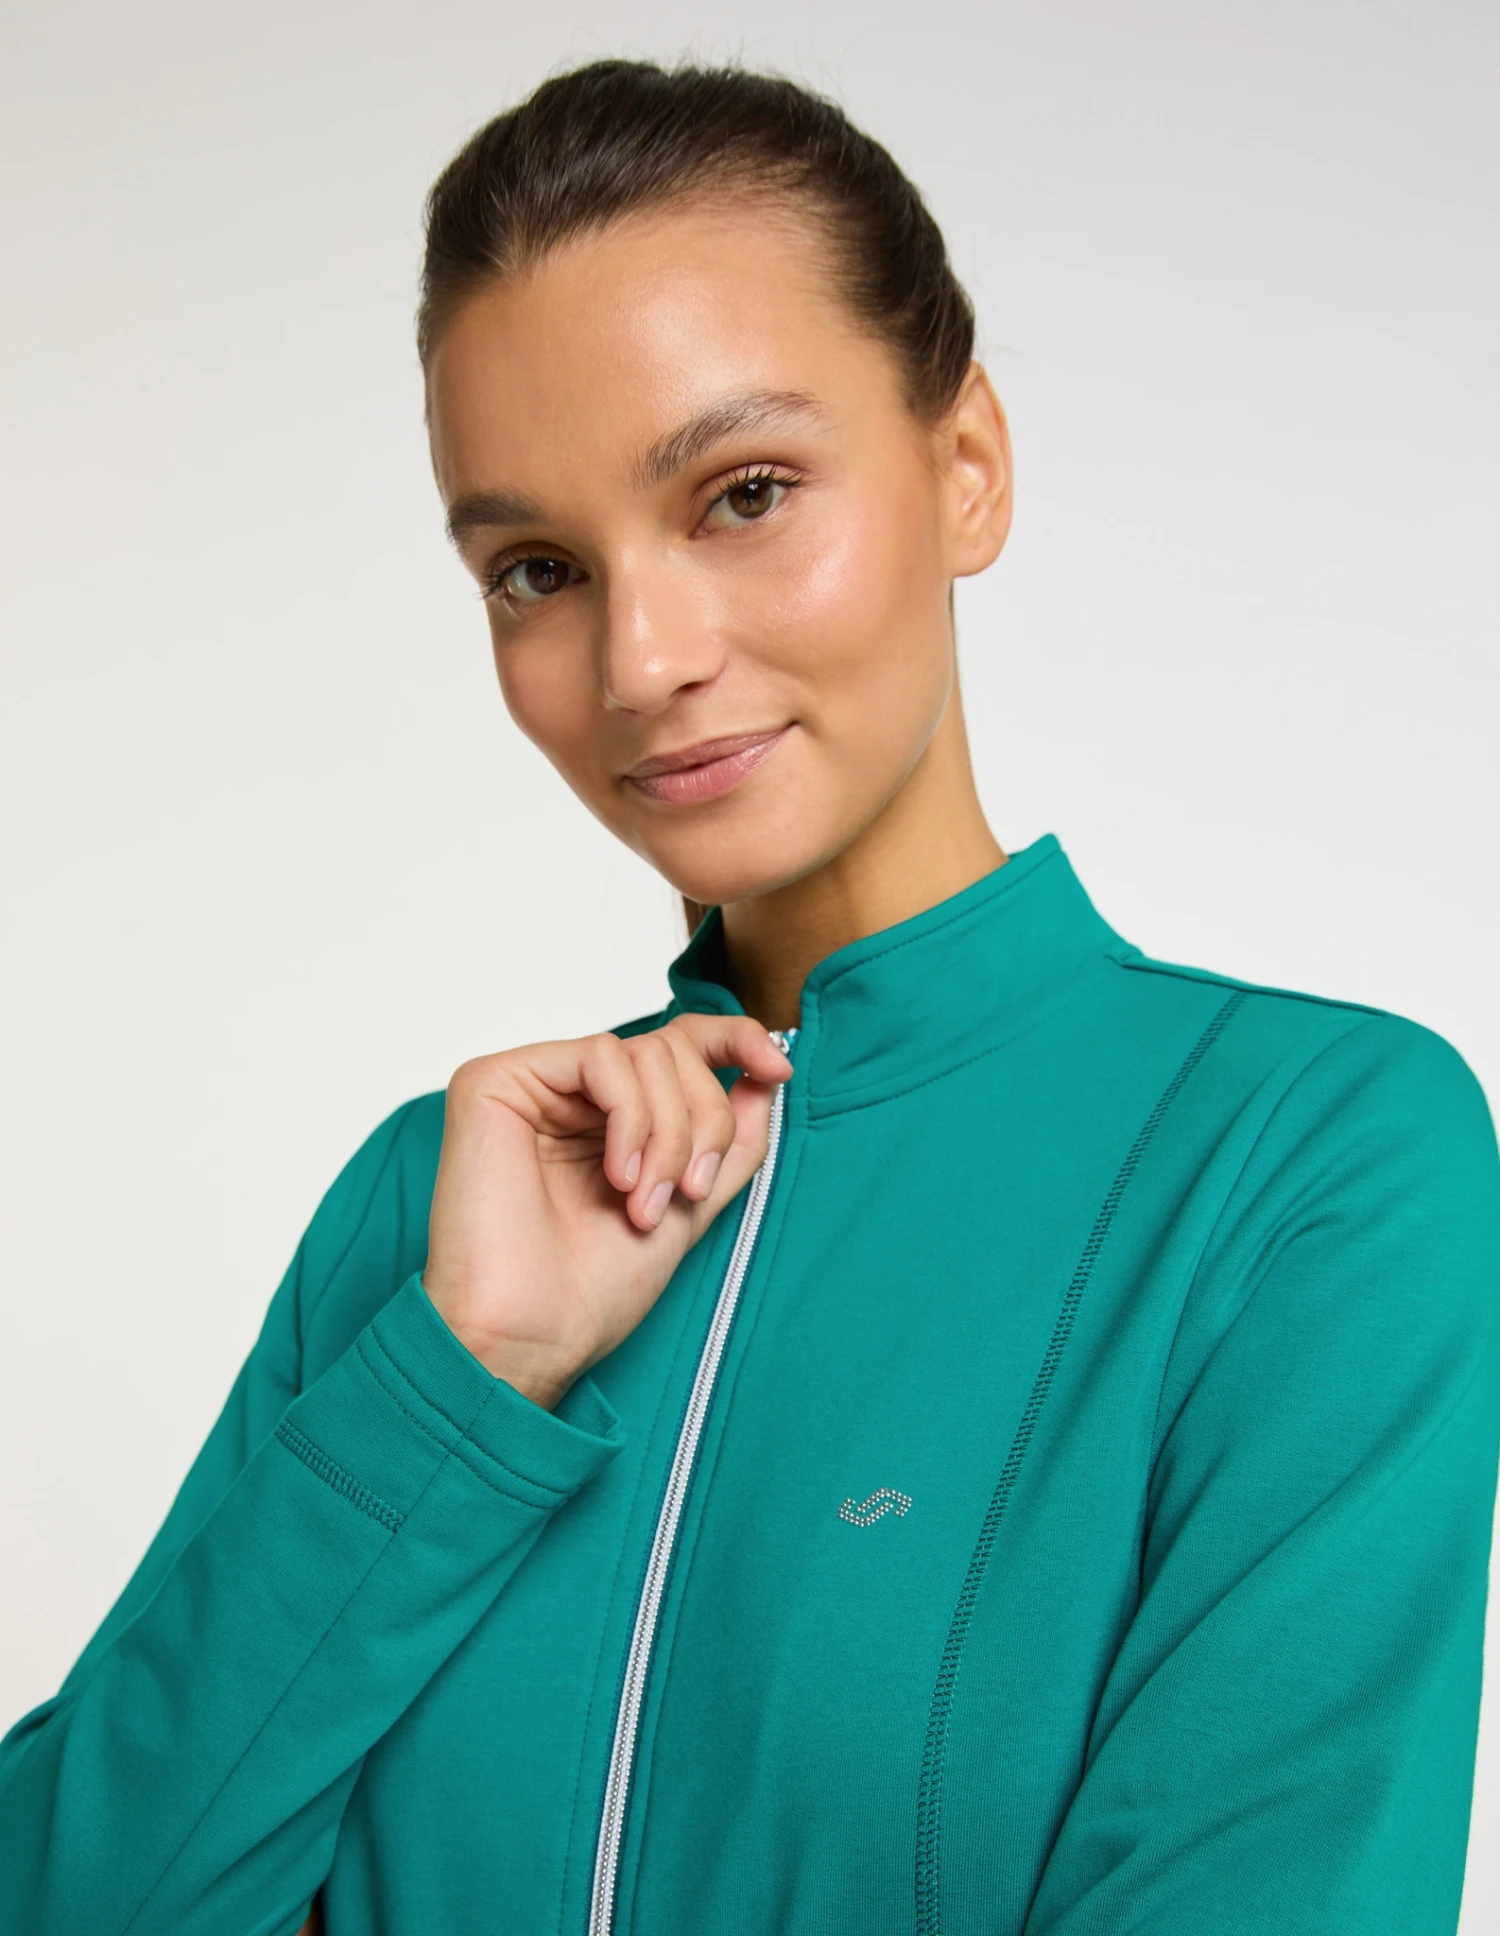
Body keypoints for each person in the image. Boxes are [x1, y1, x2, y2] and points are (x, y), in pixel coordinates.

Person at [2, 57, 1497, 1936]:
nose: (640, 659)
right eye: (537, 570)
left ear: (966, 467)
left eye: (745, 493)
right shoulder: (432, 1217)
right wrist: (463, 1384)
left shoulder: (1309, 1164)